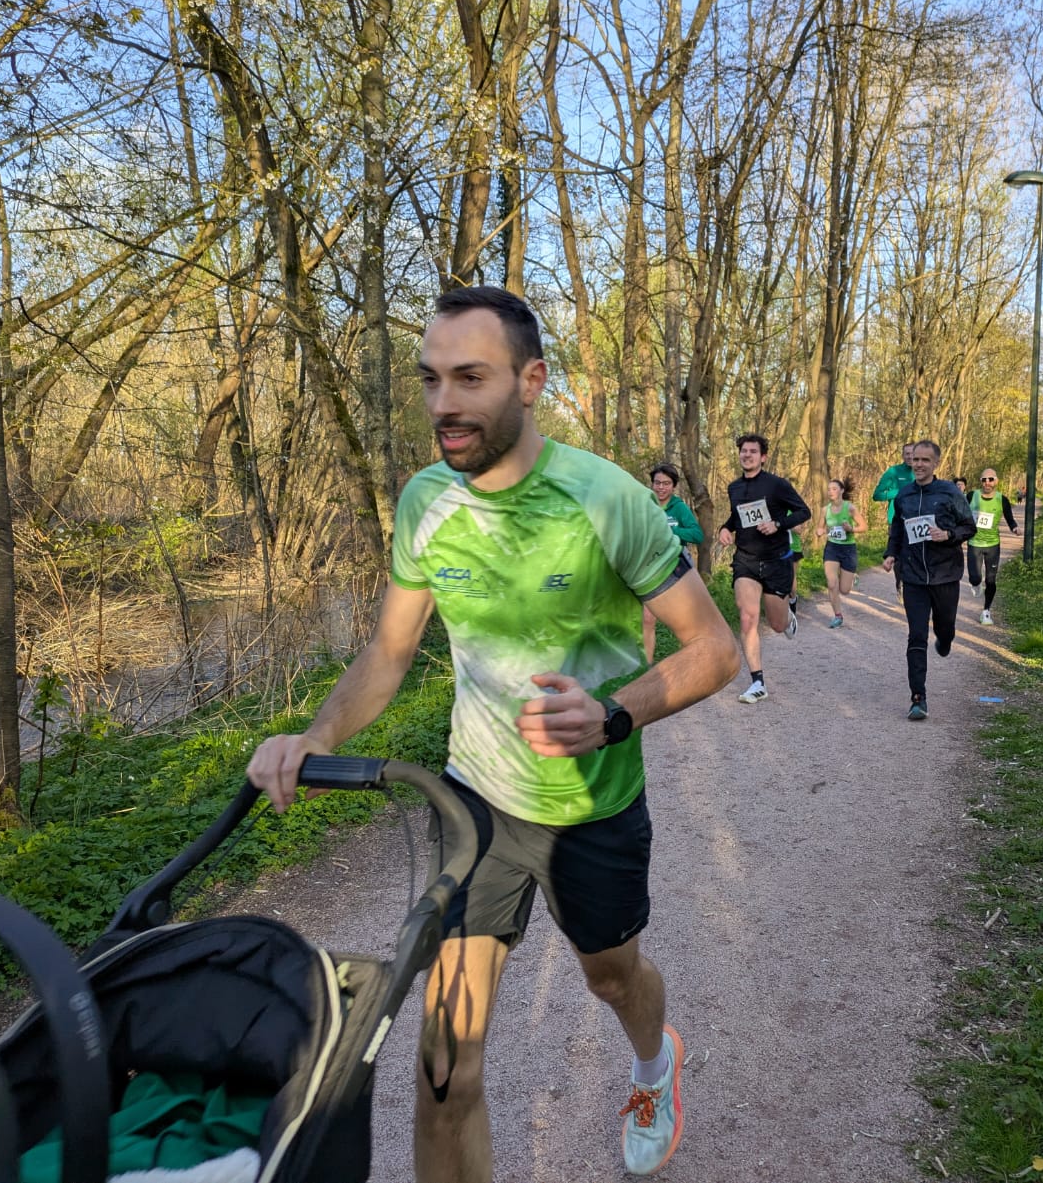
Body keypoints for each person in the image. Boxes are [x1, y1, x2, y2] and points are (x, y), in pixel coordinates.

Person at [245, 287, 739, 1182]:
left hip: (592, 806)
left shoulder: (608, 499)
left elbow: (716, 648)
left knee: (611, 977)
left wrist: (612, 713)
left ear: (531, 380)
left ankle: (651, 1061)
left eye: (470, 378)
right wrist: (316, 733)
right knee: (445, 1069)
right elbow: (389, 652)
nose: (444, 402)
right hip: (474, 804)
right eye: (431, 379)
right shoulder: (425, 499)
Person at [881, 439, 976, 721]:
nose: (919, 464)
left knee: (945, 628)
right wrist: (890, 554)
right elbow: (897, 529)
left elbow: (969, 526)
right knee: (917, 635)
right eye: (916, 459)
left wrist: (948, 535)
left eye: (925, 460)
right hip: (913, 576)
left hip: (944, 574)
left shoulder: (949, 492)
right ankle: (918, 698)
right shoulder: (904, 495)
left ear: (935, 463)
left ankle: (945, 640)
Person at [717, 433, 810, 703]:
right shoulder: (734, 487)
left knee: (777, 625)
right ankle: (758, 682)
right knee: (748, 618)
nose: (747, 455)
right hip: (745, 560)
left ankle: (789, 614)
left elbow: (804, 512)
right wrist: (725, 528)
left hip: (776, 561)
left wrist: (777, 524)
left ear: (763, 457)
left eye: (753, 451)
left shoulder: (777, 485)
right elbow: (736, 516)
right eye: (743, 451)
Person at [643, 463, 704, 662]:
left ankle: (689, 660)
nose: (661, 487)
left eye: (666, 483)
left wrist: (670, 531)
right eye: (657, 483)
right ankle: (647, 668)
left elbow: (697, 535)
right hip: (651, 565)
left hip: (676, 566)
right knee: (648, 619)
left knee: (682, 619)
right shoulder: (646, 504)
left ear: (674, 486)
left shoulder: (679, 508)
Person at [967, 468, 1018, 625]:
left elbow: (1009, 518)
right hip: (974, 543)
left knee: (991, 580)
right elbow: (961, 513)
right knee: (975, 578)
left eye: (990, 479)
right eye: (984, 480)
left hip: (992, 545)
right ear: (981, 482)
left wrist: (1014, 528)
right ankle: (976, 584)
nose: (987, 482)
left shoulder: (1002, 499)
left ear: (996, 481)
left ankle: (986, 611)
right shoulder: (972, 496)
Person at [816, 477, 867, 627]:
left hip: (848, 549)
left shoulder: (850, 508)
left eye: (834, 489)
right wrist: (819, 531)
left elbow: (864, 527)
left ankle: (851, 577)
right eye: (829, 489)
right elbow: (820, 527)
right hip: (832, 548)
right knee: (832, 584)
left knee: (844, 590)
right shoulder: (825, 510)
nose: (830, 492)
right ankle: (838, 616)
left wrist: (851, 529)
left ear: (842, 491)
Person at [871, 442, 916, 526]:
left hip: (917, 520)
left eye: (913, 453)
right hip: (896, 521)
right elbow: (876, 495)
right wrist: (898, 492)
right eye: (907, 454)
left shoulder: (922, 472)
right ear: (903, 456)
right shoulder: (893, 471)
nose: (910, 457)